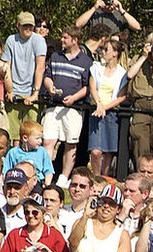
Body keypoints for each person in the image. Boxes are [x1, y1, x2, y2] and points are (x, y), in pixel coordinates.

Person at [41, 26, 92, 186]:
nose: (62, 40)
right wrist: (50, 88)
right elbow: (47, 77)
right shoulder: (56, 56)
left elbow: (88, 86)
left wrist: (74, 97)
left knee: (71, 144)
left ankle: (63, 178)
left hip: (74, 108)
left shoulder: (86, 61)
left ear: (75, 40)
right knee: (48, 141)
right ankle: (46, 176)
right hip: (53, 106)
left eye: (65, 38)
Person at [2, 12, 47, 144]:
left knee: (32, 136)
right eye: (24, 26)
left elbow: (40, 66)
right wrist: (9, 90)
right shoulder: (11, 40)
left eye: (30, 26)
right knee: (14, 137)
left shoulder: (38, 40)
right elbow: (7, 66)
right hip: (14, 91)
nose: (28, 28)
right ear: (18, 25)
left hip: (30, 92)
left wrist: (35, 93)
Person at [127, 29, 153, 164]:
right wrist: (144, 56)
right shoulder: (138, 59)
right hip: (140, 103)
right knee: (140, 142)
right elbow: (129, 75)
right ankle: (140, 175)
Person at [87, 39, 127, 176]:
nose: (103, 52)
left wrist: (105, 107)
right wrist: (98, 104)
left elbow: (122, 96)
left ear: (115, 53)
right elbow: (92, 87)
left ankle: (104, 177)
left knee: (108, 150)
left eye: (106, 49)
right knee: (95, 151)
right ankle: (96, 177)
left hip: (111, 113)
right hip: (96, 111)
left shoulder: (122, 73)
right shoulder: (96, 68)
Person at [75, 0, 140, 35]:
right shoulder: (95, 13)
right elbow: (78, 24)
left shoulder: (120, 15)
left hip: (112, 52)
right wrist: (94, 8)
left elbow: (137, 27)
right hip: (95, 51)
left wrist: (121, 10)